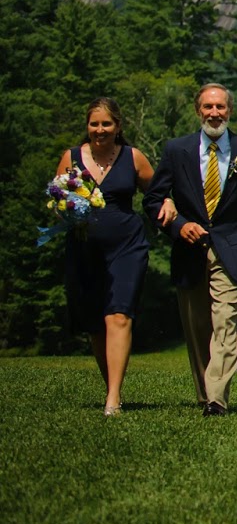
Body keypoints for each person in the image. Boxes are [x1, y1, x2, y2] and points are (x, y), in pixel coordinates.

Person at [145, 84, 237, 416]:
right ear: (198, 110)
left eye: (220, 107)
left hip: (232, 249)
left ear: (230, 110)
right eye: (208, 107)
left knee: (225, 322)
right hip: (189, 250)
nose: (215, 113)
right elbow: (153, 199)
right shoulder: (177, 150)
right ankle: (204, 393)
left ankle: (216, 399)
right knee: (198, 328)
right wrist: (178, 226)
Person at [57, 98, 157, 416]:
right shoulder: (71, 158)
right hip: (84, 249)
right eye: (94, 124)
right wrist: (65, 209)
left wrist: (168, 205)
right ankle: (112, 388)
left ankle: (113, 398)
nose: (100, 130)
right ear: (87, 126)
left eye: (106, 124)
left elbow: (157, 193)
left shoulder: (133, 157)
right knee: (96, 324)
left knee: (119, 315)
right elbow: (58, 199)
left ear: (118, 126)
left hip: (127, 246)